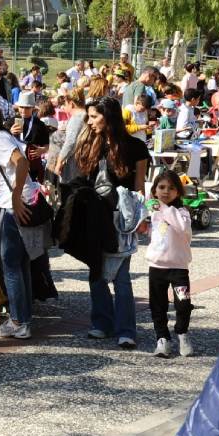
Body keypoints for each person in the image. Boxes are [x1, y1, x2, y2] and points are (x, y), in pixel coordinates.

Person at [71, 95, 150, 349]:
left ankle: (126, 329)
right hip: (94, 214)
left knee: (122, 275)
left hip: (121, 217)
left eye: (95, 116)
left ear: (109, 117)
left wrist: (142, 217)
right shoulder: (89, 143)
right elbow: (81, 180)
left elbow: (140, 187)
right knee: (96, 270)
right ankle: (102, 323)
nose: (90, 121)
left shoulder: (135, 147)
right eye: (89, 116)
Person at [0, 97, 41, 340]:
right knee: (20, 263)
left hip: (15, 203)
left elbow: (21, 161)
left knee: (10, 263)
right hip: (24, 199)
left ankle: (18, 321)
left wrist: (14, 195)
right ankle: (23, 318)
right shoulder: (2, 134)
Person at [141, 170, 194, 358]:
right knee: (158, 305)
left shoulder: (182, 212)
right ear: (154, 190)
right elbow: (150, 233)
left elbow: (181, 227)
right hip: (157, 268)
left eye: (171, 188)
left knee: (183, 302)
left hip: (179, 269)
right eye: (161, 187)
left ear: (178, 192)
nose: (165, 191)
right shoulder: (153, 213)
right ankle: (162, 338)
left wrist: (162, 208)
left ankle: (182, 332)